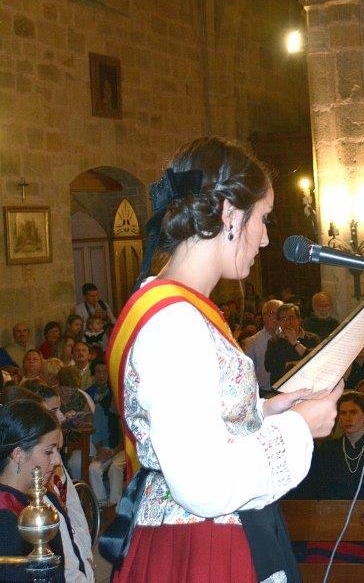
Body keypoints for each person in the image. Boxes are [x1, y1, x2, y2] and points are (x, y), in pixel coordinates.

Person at [110, 137, 341, 581]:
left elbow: (187, 421)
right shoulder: (174, 322)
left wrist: (264, 410)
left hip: (199, 536)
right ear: (230, 214)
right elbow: (203, 482)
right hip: (200, 547)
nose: (266, 238)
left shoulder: (178, 307)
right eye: (263, 218)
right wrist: (299, 427)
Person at [0, 397, 94, 582]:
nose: (57, 461)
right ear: (18, 454)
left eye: (58, 451)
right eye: (49, 451)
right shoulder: (6, 518)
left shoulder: (38, 497)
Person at [289, 391, 364, 564]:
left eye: (353, 412)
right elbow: (317, 486)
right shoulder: (329, 449)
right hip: (333, 519)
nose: (348, 418)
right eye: (343, 413)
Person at [85, 360, 126, 509]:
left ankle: (115, 504)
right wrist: (101, 450)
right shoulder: (101, 406)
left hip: (124, 449)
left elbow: (125, 439)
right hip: (107, 448)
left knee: (115, 467)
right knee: (93, 468)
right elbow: (96, 434)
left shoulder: (126, 406)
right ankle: (101, 504)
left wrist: (113, 452)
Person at [264, 303, 321, 385]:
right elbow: (269, 366)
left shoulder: (313, 338)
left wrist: (295, 342)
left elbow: (317, 361)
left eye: (291, 318)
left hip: (308, 384)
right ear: (279, 322)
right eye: (283, 319)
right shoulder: (274, 342)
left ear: (299, 319)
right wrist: (291, 365)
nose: (288, 322)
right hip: (283, 387)